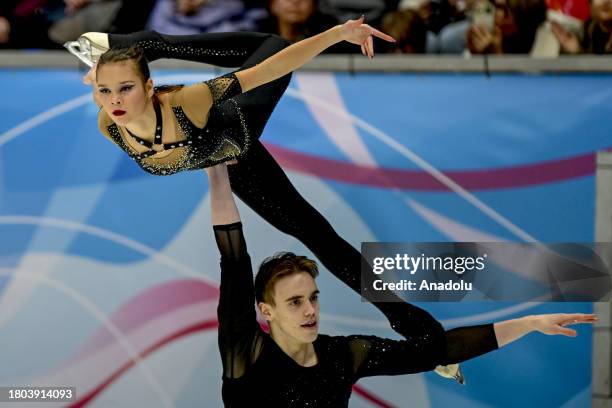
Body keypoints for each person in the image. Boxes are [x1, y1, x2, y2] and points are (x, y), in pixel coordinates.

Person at [68, 19, 464, 374]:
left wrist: (336, 35)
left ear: (148, 86)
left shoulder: (188, 102)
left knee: (271, 45)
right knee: (318, 237)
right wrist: (103, 79)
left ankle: (144, 42)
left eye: (126, 88)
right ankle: (426, 336)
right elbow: (109, 92)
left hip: (242, 118)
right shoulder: (109, 123)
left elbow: (270, 68)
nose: (115, 100)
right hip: (238, 164)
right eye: (105, 90)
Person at [205, 161, 597, 407]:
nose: (310, 310)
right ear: (265, 310)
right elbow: (233, 256)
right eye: (294, 302)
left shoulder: (342, 357)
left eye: (313, 298)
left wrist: (530, 324)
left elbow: (441, 349)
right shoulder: (245, 349)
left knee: (428, 345)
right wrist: (216, 170)